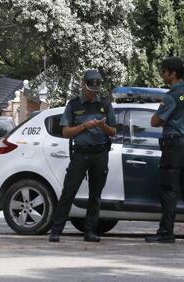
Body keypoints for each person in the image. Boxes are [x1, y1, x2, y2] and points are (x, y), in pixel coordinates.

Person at [49, 69, 117, 243]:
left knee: (95, 195)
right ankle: (56, 230)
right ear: (83, 86)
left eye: (96, 91)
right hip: (80, 154)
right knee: (69, 191)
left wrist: (103, 127)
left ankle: (90, 231)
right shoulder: (73, 105)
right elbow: (65, 132)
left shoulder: (105, 105)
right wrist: (84, 126)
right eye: (90, 91)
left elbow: (114, 132)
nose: (92, 95)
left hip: (100, 153)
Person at [145, 56, 184, 243]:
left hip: (173, 147)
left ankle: (166, 233)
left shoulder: (171, 96)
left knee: (168, 190)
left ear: (172, 74)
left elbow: (155, 121)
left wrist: (160, 114)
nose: (162, 75)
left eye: (164, 72)